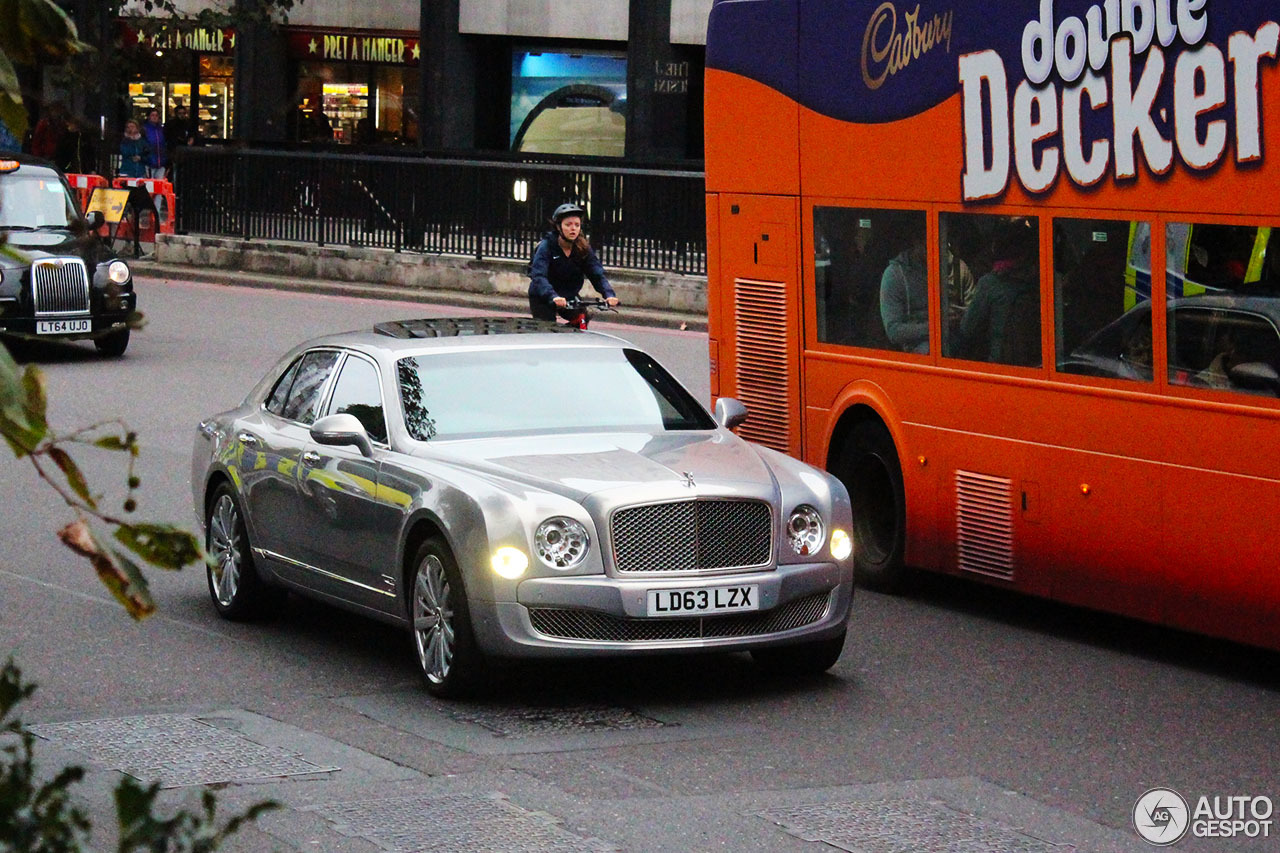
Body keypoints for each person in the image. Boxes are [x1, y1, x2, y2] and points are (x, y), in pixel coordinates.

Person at [960, 218, 1041, 365]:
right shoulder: (1042, 279)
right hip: (1037, 363)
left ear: (995, 248)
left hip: (1001, 364)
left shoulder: (990, 284)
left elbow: (967, 328)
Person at [528, 203, 620, 321]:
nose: (573, 229)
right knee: (548, 331)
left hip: (569, 296)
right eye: (568, 225)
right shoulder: (547, 246)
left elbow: (596, 274)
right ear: (558, 227)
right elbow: (539, 275)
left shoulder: (582, 248)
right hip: (543, 295)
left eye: (577, 225)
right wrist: (553, 296)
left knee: (582, 318)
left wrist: (609, 294)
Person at [879, 228, 929, 353]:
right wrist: (935, 328)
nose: (936, 252)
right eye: (927, 246)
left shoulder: (946, 267)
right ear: (916, 242)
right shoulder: (894, 275)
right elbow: (894, 331)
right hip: (915, 349)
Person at [141, 109, 167, 179]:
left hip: (161, 162)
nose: (155, 117)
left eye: (156, 115)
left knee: (159, 184)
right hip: (149, 162)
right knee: (150, 184)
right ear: (149, 117)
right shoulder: (144, 129)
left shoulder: (161, 129)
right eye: (152, 115)